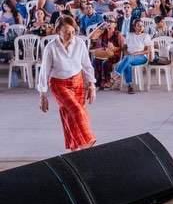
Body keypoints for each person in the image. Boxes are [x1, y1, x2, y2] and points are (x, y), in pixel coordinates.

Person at [37, 15, 97, 151]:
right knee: (76, 111)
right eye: (66, 32)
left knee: (72, 114)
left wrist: (92, 85)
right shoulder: (51, 48)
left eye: (72, 32)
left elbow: (87, 65)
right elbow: (44, 72)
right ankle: (87, 144)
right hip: (58, 84)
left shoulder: (80, 43)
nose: (70, 35)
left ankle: (73, 149)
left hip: (78, 81)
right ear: (58, 31)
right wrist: (43, 95)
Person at [108, 18, 151, 94]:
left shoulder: (146, 36)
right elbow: (124, 48)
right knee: (127, 63)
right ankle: (129, 86)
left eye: (142, 25)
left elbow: (148, 50)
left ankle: (114, 77)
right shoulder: (129, 35)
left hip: (141, 57)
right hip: (129, 56)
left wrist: (138, 53)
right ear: (134, 27)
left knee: (127, 59)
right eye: (138, 25)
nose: (141, 27)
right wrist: (126, 52)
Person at [89, 17, 124, 90]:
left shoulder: (118, 34)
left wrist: (114, 47)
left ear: (115, 24)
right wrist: (100, 27)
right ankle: (97, 82)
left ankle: (106, 82)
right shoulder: (103, 32)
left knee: (105, 63)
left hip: (114, 55)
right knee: (95, 61)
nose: (109, 23)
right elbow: (91, 37)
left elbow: (122, 48)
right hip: (103, 53)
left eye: (111, 21)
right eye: (107, 21)